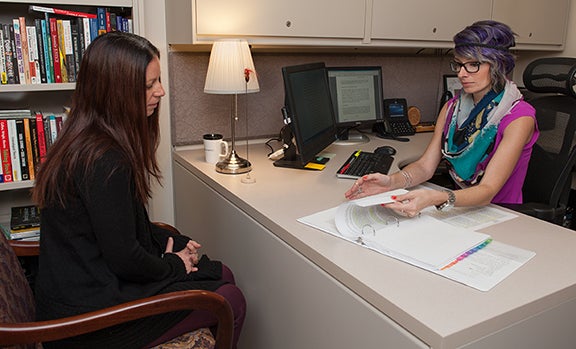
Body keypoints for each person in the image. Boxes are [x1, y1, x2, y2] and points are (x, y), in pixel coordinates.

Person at [32, 31, 246, 348]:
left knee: (219, 271)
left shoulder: (86, 140)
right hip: (85, 321)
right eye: (148, 85)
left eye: (158, 81)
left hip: (82, 290)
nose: (160, 92)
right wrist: (175, 264)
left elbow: (121, 225)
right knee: (229, 300)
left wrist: (178, 243)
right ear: (115, 92)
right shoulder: (105, 160)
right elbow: (125, 258)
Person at [345, 20, 539, 217]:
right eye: (459, 64)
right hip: (459, 208)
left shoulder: (519, 118)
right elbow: (425, 167)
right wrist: (391, 182)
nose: (461, 74)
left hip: (500, 216)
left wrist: (437, 197)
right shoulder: (452, 108)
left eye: (473, 65)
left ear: (498, 65)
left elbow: (488, 190)